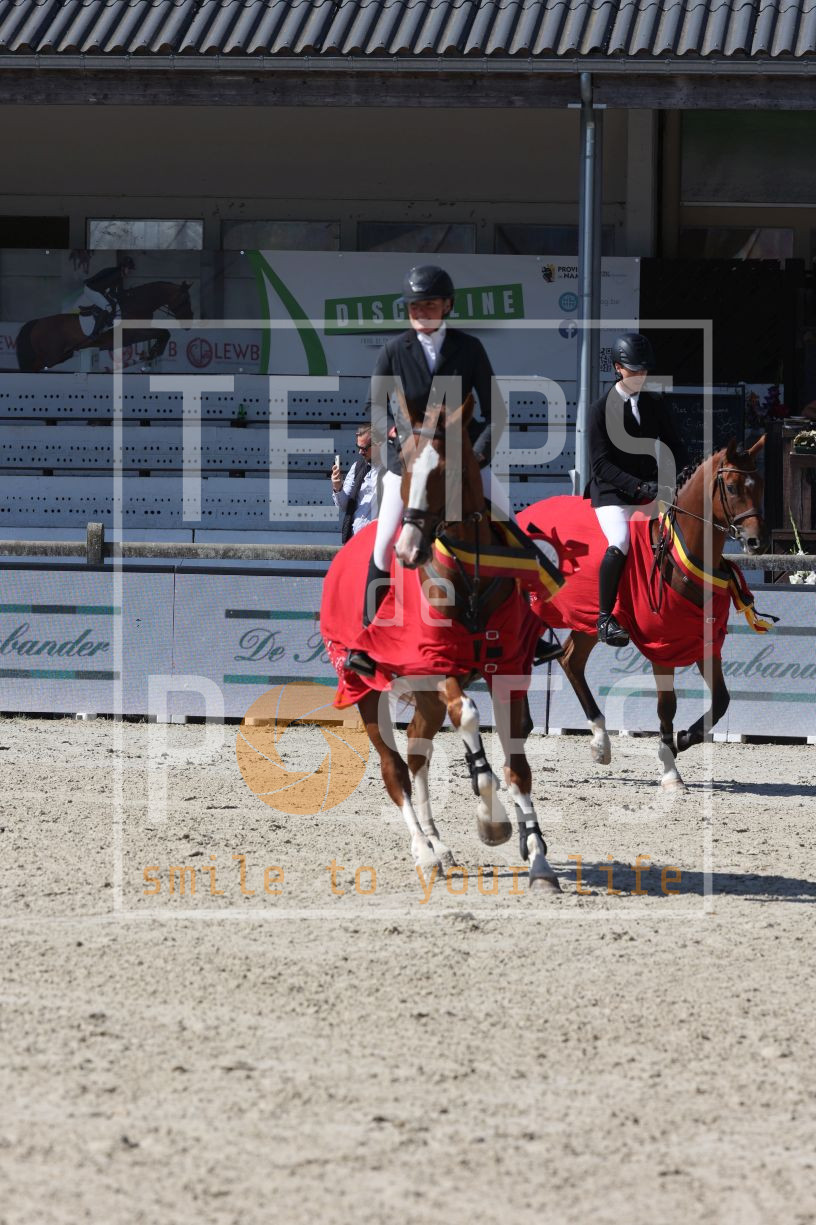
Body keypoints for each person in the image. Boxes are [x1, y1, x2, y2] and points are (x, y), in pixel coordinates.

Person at [345, 262, 560, 676]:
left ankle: (531, 631)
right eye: (414, 306)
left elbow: (496, 411)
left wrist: (475, 459)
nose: (421, 313)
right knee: (385, 541)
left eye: (429, 305)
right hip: (409, 465)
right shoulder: (393, 351)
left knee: (511, 527)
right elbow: (375, 408)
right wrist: (400, 446)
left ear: (447, 306)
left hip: (464, 460)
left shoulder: (469, 348)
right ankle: (368, 641)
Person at [586, 332, 689, 646]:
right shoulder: (600, 409)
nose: (641, 376)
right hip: (612, 493)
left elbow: (675, 445)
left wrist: (682, 474)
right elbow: (600, 465)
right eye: (634, 370)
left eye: (644, 370)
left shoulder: (654, 403)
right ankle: (605, 619)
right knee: (620, 541)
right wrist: (639, 485)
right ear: (618, 368)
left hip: (651, 489)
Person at [331, 424, 385, 543]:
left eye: (364, 448)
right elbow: (344, 506)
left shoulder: (393, 470)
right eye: (358, 447)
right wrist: (337, 487)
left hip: (379, 541)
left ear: (379, 445)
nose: (360, 452)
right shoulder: (357, 467)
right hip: (355, 539)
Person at [77, 256, 135, 336]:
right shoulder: (116, 275)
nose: (130, 271)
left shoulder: (119, 275)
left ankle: (106, 322)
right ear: (123, 267)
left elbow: (114, 292)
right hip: (91, 290)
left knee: (112, 304)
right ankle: (95, 332)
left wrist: (126, 294)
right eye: (129, 269)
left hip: (96, 289)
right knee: (108, 307)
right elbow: (111, 292)